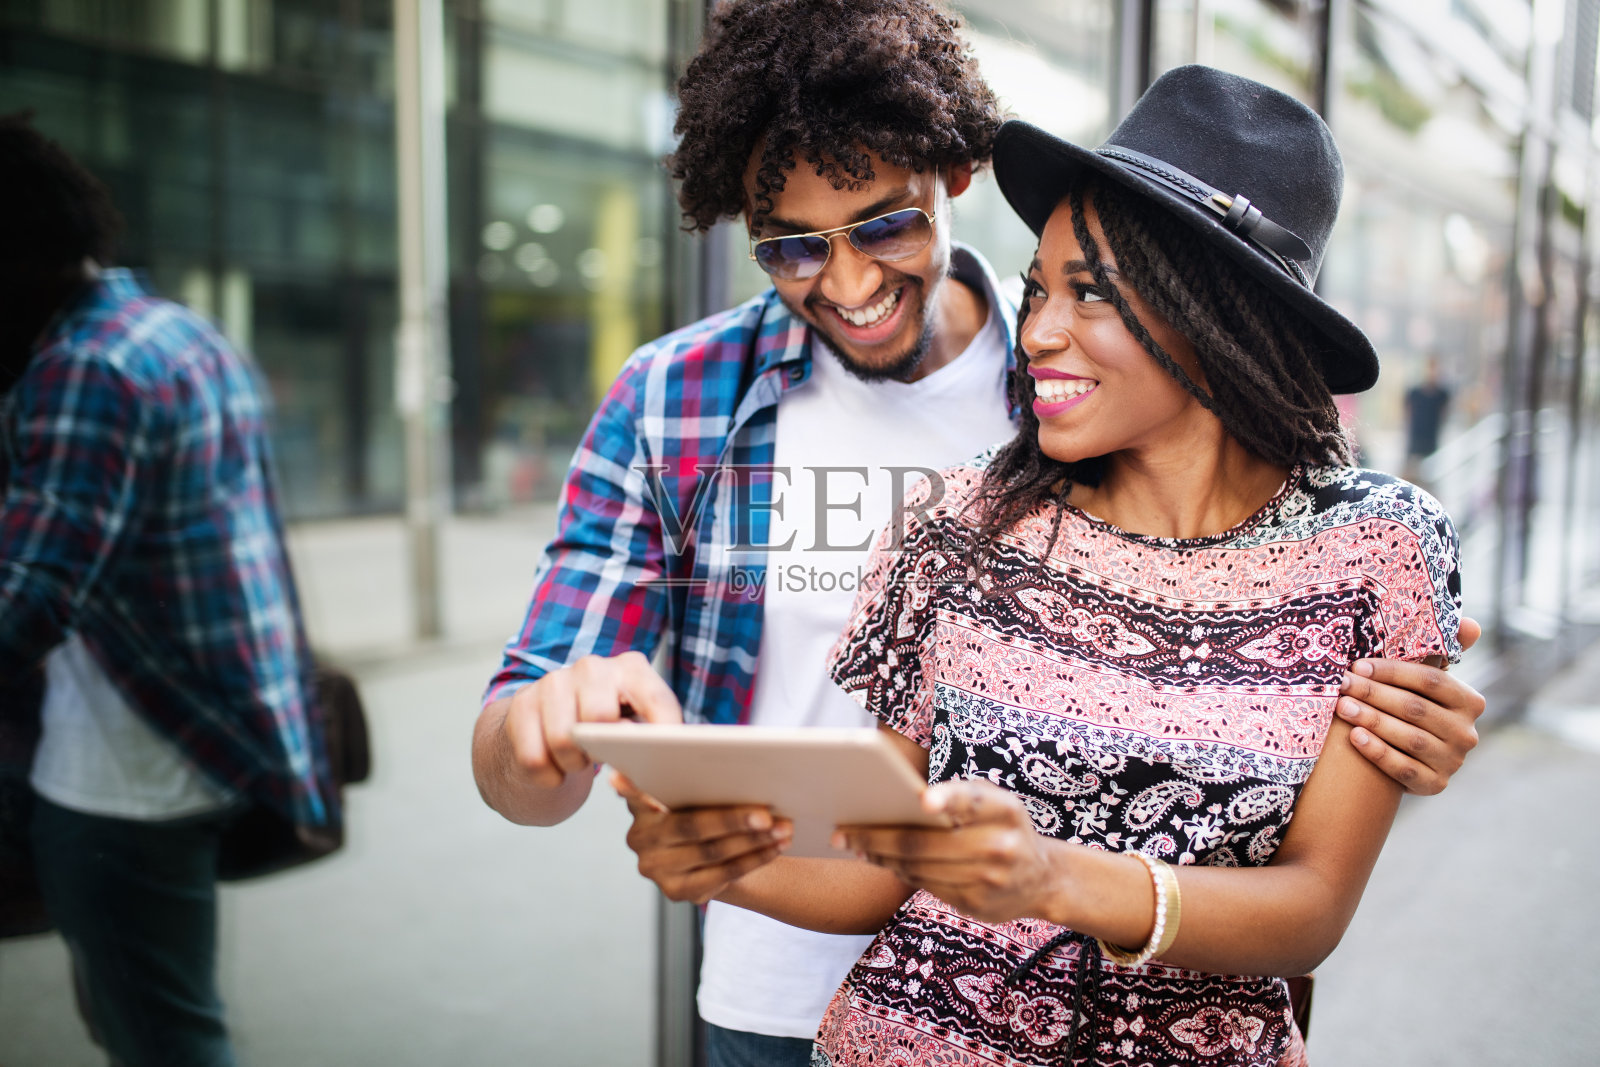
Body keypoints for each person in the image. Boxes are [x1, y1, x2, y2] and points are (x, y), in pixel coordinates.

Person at [471, 4, 1485, 1062]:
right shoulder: (685, 403)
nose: (852, 282)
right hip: (787, 985)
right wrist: (564, 739)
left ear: (951, 176)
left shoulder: (1077, 402)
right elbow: (528, 736)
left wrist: (1389, 717)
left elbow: (1311, 889)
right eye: (791, 248)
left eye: (881, 226)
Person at [0, 114, 337, 1067]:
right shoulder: (167, 328)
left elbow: (26, 597)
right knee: (157, 1021)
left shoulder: (84, 370)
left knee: (162, 1037)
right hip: (196, 737)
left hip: (120, 774)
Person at [1403, 355, 1451, 490]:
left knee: (1430, 481)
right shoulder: (1414, 392)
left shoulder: (1443, 394)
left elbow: (1445, 415)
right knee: (1411, 478)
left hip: (1432, 443)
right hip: (1415, 441)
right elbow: (1408, 413)